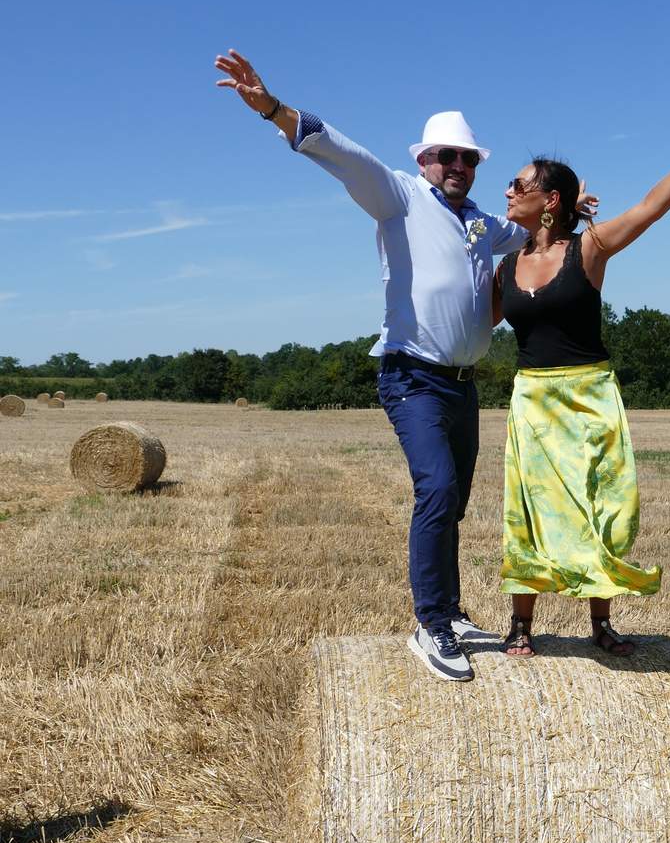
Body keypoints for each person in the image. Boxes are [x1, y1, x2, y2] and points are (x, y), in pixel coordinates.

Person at [215, 49, 592, 682]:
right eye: (447, 155)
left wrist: (568, 209)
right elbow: (343, 154)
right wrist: (275, 109)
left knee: (455, 500)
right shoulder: (399, 196)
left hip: (465, 385)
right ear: (423, 159)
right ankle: (431, 624)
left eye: (468, 158)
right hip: (411, 373)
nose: (458, 166)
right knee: (437, 491)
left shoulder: (482, 223)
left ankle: (449, 607)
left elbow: (532, 230)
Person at [492, 109, 670, 658]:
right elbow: (473, 321)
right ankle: (520, 624)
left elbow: (649, 210)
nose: (507, 190)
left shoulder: (590, 247)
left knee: (603, 505)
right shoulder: (504, 267)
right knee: (529, 510)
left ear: (549, 200)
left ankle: (601, 623)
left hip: (590, 396)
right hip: (532, 398)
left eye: (518, 184)